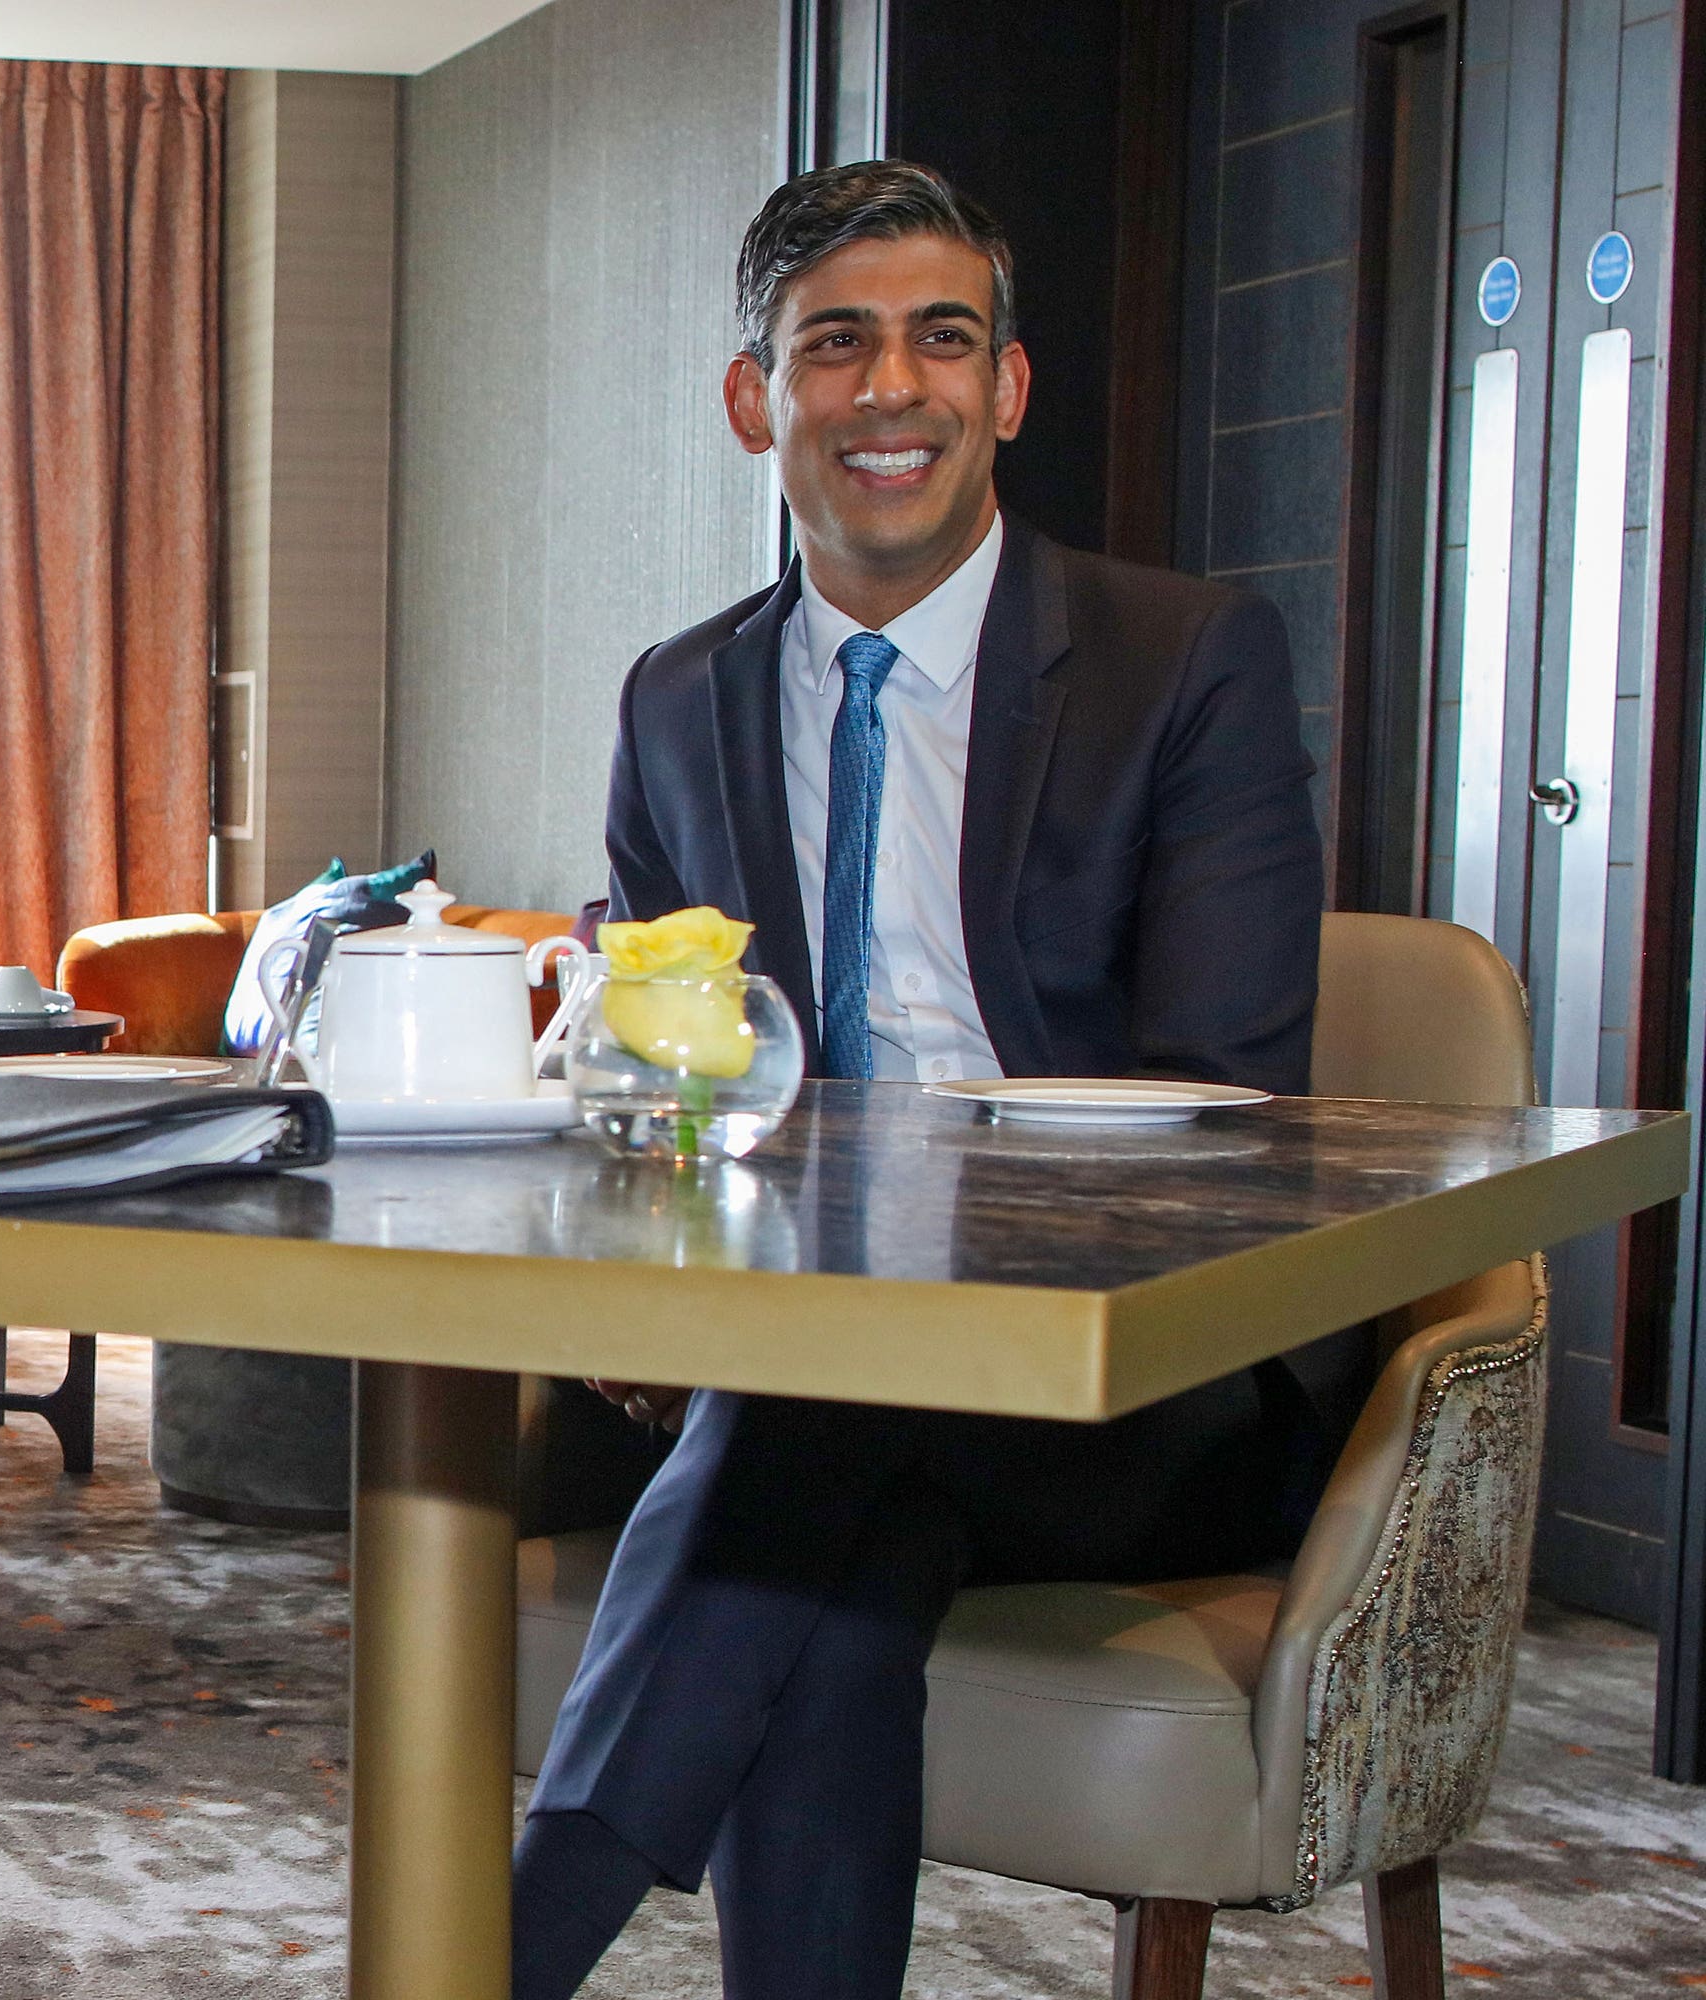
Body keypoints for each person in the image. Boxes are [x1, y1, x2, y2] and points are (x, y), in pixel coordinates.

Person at [512, 161, 1329, 1999]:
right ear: (757, 400)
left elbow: (1226, 1107)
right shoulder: (677, 696)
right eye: (838, 347)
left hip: (1125, 1384)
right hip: (805, 1377)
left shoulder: (1183, 662)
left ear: (1008, 391)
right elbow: (665, 1068)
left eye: (942, 341)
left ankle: (505, 1947)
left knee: (799, 1424)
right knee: (837, 1581)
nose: (895, 388)